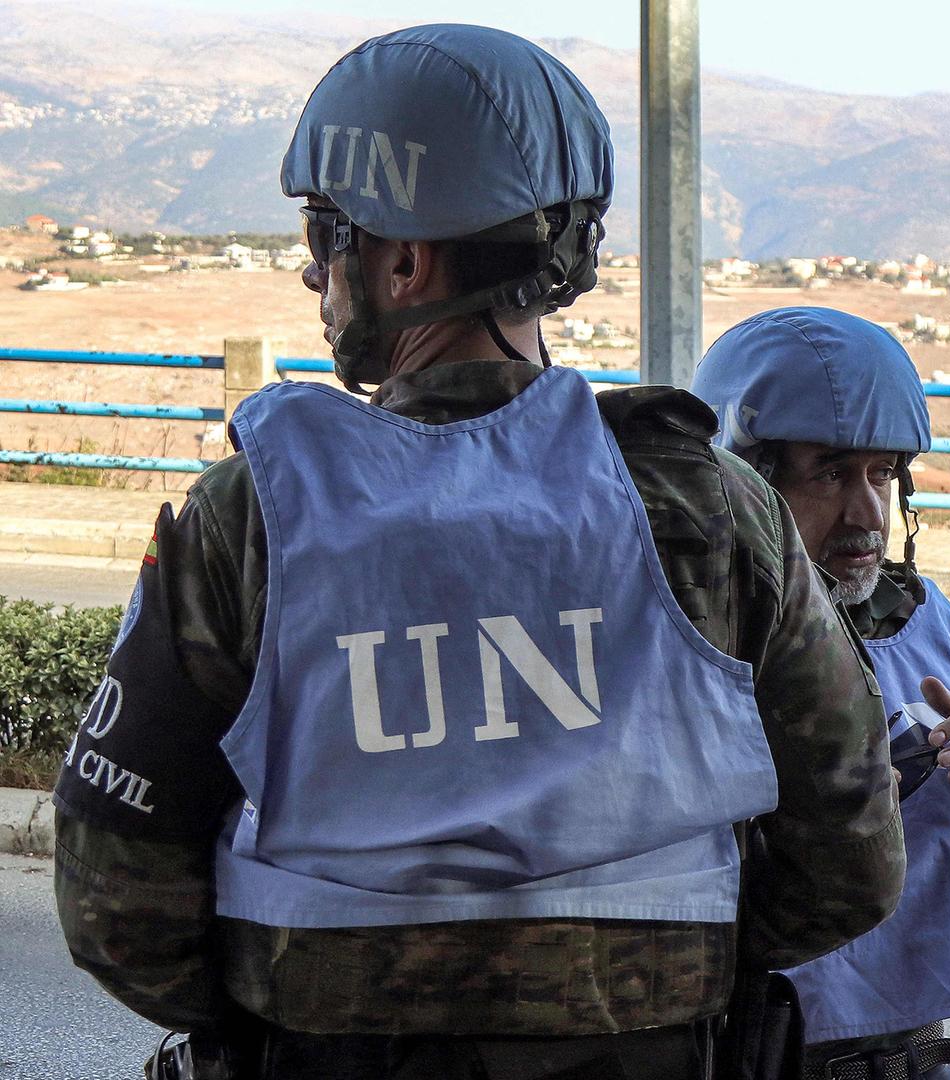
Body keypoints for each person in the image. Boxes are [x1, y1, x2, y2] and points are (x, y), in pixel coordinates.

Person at [53, 26, 904, 1080]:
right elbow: (853, 860)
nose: (314, 270)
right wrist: (656, 986)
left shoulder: (254, 514)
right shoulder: (719, 510)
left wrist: (271, 1016)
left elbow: (113, 897)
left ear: (404, 262)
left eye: (328, 233)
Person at [693, 307, 950, 1079]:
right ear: (743, 484)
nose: (867, 514)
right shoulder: (697, 637)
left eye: (882, 473)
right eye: (830, 473)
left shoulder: (919, 621)